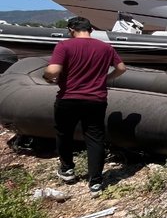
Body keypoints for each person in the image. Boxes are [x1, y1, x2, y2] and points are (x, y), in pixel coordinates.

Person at [43, 17, 126, 197]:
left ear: (72, 29)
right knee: (95, 137)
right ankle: (95, 182)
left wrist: (46, 76)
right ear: (91, 29)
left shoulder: (64, 46)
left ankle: (67, 170)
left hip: (68, 98)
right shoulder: (106, 47)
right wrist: (106, 78)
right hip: (96, 99)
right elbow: (121, 68)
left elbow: (53, 71)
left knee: (64, 133)